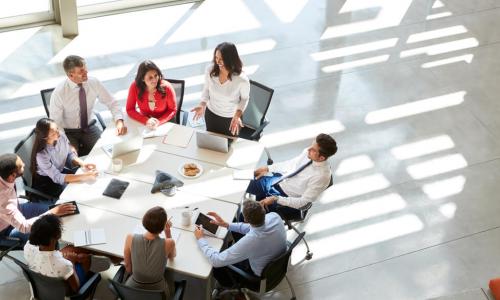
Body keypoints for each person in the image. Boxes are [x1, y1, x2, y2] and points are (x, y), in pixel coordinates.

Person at [194, 200, 286, 290]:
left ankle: (228, 286)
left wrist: (201, 239)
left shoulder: (252, 241)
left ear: (245, 219)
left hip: (257, 279)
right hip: (275, 267)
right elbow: (252, 228)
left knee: (217, 267)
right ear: (263, 210)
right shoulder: (274, 216)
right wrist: (226, 225)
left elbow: (216, 261)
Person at [49, 55, 127, 156]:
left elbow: (112, 102)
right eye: (81, 71)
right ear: (71, 75)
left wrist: (119, 121)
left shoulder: (93, 82)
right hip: (68, 132)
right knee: (71, 158)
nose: (86, 72)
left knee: (107, 151)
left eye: (85, 69)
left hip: (89, 127)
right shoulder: (59, 93)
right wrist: (67, 144)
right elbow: (56, 124)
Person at [247, 133, 337, 220]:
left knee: (248, 217)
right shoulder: (308, 153)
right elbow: (291, 164)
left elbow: (302, 203)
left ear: (321, 158)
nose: (308, 149)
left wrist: (276, 199)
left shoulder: (322, 177)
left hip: (286, 199)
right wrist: (267, 169)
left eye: (313, 149)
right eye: (311, 145)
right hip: (279, 182)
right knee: (243, 182)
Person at [24, 214, 112, 294]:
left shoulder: (28, 246)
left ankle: (108, 257)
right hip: (64, 290)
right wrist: (72, 262)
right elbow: (76, 288)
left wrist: (68, 259)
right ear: (57, 236)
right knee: (85, 258)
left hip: (43, 281)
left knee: (71, 249)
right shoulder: (65, 265)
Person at [0, 153, 75, 245]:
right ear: (12, 176)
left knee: (59, 211)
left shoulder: (4, 176)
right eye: (21, 166)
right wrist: (53, 212)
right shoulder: (5, 201)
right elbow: (24, 227)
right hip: (6, 229)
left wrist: (53, 212)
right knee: (48, 231)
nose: (24, 164)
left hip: (17, 210)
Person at [191, 42, 250, 136]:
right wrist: (202, 104)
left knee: (228, 147)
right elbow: (206, 89)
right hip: (211, 115)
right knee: (211, 145)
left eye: (221, 59)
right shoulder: (210, 70)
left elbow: (245, 98)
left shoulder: (241, 80)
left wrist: (238, 115)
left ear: (230, 59)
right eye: (216, 58)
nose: (218, 62)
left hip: (231, 119)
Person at [31, 118, 98, 198]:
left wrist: (82, 163)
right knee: (77, 192)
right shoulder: (41, 155)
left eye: (57, 128)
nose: (58, 132)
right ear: (45, 137)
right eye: (53, 132)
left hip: (60, 171)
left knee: (86, 183)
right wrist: (85, 176)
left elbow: (69, 154)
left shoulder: (61, 136)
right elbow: (57, 177)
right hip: (48, 181)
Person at [123, 206, 176, 297]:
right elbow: (172, 256)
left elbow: (128, 267)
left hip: (132, 292)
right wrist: (168, 233)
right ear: (163, 226)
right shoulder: (169, 243)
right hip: (158, 294)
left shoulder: (130, 238)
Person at [126, 60, 177, 129]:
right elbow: (130, 109)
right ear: (142, 79)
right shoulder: (135, 87)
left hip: (165, 122)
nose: (154, 80)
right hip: (146, 124)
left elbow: (172, 110)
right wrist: (146, 120)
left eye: (156, 75)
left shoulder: (167, 87)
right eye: (150, 77)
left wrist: (159, 122)